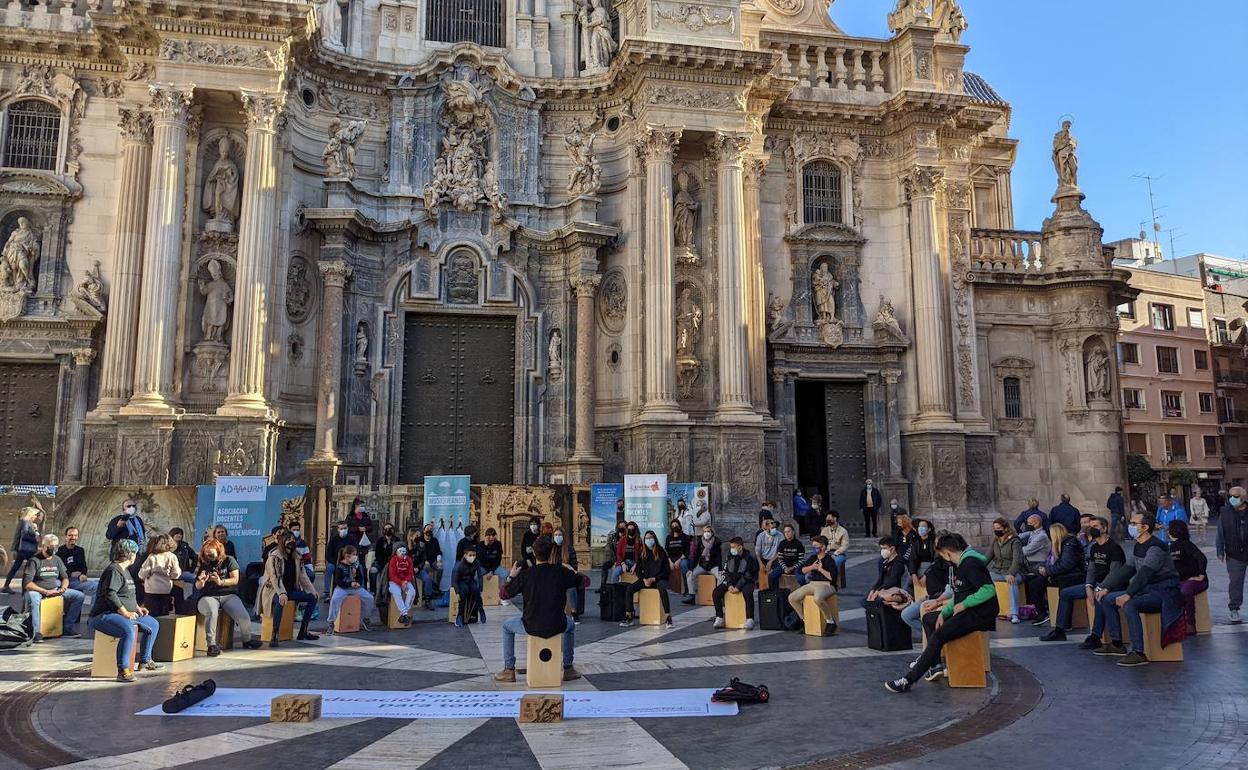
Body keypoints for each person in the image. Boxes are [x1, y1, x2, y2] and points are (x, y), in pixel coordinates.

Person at [885, 533, 998, 692]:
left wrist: (965, 604)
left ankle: (908, 680)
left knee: (939, 636)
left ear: (947, 553)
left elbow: (989, 590)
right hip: (969, 610)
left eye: (943, 556)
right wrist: (944, 612)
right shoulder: (961, 564)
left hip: (979, 614)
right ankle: (935, 664)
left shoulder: (970, 564)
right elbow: (959, 593)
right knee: (930, 619)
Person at [1081, 511, 1185, 665]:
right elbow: (1126, 570)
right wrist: (1105, 588)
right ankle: (1117, 643)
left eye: (1134, 524)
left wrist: (1129, 594)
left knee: (1131, 605)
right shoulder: (1138, 546)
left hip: (1164, 592)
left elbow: (1145, 573)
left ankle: (1138, 651)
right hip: (1146, 589)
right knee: (1107, 599)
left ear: (1145, 527)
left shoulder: (1156, 547)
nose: (1131, 526)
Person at [495, 537, 580, 683]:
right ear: (552, 552)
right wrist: (571, 570)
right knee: (570, 625)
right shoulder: (560, 572)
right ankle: (568, 668)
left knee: (506, 626)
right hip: (557, 623)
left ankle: (509, 669)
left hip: (531, 624)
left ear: (534, 553)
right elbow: (585, 582)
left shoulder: (526, 574)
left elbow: (504, 594)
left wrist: (510, 577)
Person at [88, 539, 161, 682]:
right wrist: (125, 612)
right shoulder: (113, 570)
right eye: (135, 553)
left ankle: (145, 661)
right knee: (127, 629)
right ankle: (123, 670)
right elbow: (111, 594)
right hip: (105, 614)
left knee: (153, 624)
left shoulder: (125, 571)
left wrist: (137, 608)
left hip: (124, 613)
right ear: (130, 554)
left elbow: (127, 594)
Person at [1042, 516, 1124, 641]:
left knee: (1100, 599)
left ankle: (1096, 636)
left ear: (1105, 528)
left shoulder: (1114, 547)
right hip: (1096, 583)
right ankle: (1059, 630)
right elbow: (1091, 570)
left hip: (1111, 585)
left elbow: (1115, 572)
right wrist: (1088, 586)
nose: (1092, 529)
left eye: (1095, 526)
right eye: (1090, 526)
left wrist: (1101, 588)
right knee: (1065, 593)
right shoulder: (1095, 547)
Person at [195, 540, 263, 655]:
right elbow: (197, 586)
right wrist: (201, 582)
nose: (209, 556)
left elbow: (235, 580)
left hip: (228, 594)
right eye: (207, 553)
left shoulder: (229, 560)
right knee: (212, 611)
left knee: (244, 616)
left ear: (218, 550)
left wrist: (220, 582)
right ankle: (211, 645)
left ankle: (247, 640)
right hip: (208, 595)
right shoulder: (202, 563)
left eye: (211, 553)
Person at [256, 527, 320, 646]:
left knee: (313, 597)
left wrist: (312, 590)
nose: (291, 542)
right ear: (282, 541)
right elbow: (274, 577)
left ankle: (303, 630)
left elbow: (303, 576)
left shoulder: (297, 556)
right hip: (274, 590)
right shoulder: (274, 556)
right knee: (281, 601)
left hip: (290, 590)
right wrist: (281, 593)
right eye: (288, 539)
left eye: (292, 539)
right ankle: (274, 634)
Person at [23, 534, 85, 641]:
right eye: (51, 546)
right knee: (33, 598)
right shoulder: (34, 560)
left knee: (79, 596)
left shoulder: (57, 560)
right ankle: (36, 632)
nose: (53, 549)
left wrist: (63, 588)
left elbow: (65, 578)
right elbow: (28, 584)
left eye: (56, 546)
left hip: (55, 589)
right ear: (43, 546)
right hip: (38, 590)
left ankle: (67, 628)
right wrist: (45, 592)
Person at [1024, 523, 1084, 627]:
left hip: (1072, 576)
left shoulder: (1069, 544)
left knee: (1062, 589)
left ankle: (1064, 622)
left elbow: (1066, 565)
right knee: (1034, 583)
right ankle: (1042, 613)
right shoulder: (1059, 544)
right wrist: (1043, 569)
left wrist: (1047, 571)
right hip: (1060, 574)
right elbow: (1051, 561)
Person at [620, 530, 673, 628]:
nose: (649, 540)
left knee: (662, 589)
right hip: (646, 579)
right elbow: (638, 570)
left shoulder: (661, 552)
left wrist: (654, 579)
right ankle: (629, 615)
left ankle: (668, 617)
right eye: (647, 538)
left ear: (655, 539)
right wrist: (644, 579)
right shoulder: (642, 552)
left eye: (650, 538)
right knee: (629, 589)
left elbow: (666, 571)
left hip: (658, 579)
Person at [787, 535, 838, 633]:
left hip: (827, 585)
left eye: (816, 546)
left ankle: (830, 621)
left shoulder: (829, 559)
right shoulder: (813, 557)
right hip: (813, 583)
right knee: (792, 598)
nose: (814, 548)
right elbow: (802, 570)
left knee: (818, 598)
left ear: (823, 547)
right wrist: (812, 567)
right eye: (813, 546)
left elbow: (832, 577)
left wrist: (820, 569)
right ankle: (805, 621)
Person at [1168, 520, 1208, 634]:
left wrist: (1201, 575)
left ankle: (1190, 623)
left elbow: (1201, 558)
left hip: (1195, 580)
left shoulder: (1187, 544)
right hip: (1180, 580)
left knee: (1185, 591)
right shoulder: (1171, 547)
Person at [326, 545, 376, 634]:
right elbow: (338, 581)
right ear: (346, 556)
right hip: (343, 588)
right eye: (353, 555)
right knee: (335, 599)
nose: (355, 557)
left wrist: (358, 583)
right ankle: (331, 622)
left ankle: (365, 618)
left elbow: (360, 577)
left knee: (369, 598)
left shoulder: (356, 565)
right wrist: (349, 583)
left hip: (355, 588)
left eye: (355, 554)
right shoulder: (340, 566)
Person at [1216, 485, 1248, 623]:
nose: (1232, 499)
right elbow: (1220, 532)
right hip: (1234, 553)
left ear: (1243, 498)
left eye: (1235, 496)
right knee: (1235, 582)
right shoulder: (1225, 512)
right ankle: (1234, 609)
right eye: (1231, 496)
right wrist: (1219, 550)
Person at [712, 537, 758, 630]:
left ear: (740, 547)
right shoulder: (729, 555)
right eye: (731, 547)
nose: (731, 549)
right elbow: (725, 572)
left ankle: (750, 619)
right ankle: (719, 617)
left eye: (733, 547)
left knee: (747, 592)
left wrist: (738, 586)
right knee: (716, 592)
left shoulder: (749, 557)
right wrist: (729, 585)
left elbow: (749, 574)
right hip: (731, 581)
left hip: (746, 581)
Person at [987, 518, 1025, 624]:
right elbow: (987, 557)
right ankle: (990, 610)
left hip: (1014, 571)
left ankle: (1014, 614)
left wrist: (1011, 573)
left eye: (998, 528)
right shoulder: (995, 541)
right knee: (983, 579)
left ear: (1005, 528)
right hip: (998, 571)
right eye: (994, 528)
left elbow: (1017, 560)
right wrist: (977, 568)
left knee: (1011, 582)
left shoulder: (1015, 541)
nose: (996, 530)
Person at [137, 534, 181, 617]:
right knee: (164, 614)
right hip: (166, 589)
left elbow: (142, 574)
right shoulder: (172, 557)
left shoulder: (152, 557)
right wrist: (170, 575)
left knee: (151, 614)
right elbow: (176, 574)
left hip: (151, 590)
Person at [56, 527, 96, 615]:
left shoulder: (80, 550)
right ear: (65, 537)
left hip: (78, 580)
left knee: (96, 586)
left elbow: (84, 566)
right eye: (70, 535)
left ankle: (93, 615)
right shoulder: (60, 552)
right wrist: (71, 573)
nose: (73, 537)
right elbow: (59, 570)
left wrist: (83, 574)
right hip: (65, 580)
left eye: (75, 535)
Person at [683, 524, 722, 604]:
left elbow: (719, 557)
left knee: (720, 577)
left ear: (712, 532)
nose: (706, 533)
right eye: (705, 532)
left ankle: (719, 597)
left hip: (713, 565)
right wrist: (691, 569)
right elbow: (696, 556)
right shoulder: (700, 542)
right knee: (690, 575)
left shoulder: (717, 542)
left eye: (708, 531)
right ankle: (692, 596)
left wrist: (720, 569)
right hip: (703, 565)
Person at [4, 507, 41, 593]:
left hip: (23, 549)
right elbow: (25, 535)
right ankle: (26, 587)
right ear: (30, 514)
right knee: (32, 567)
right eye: (35, 514)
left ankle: (7, 586)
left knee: (16, 567)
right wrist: (35, 539)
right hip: (26, 549)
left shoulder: (25, 522)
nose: (36, 516)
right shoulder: (25, 522)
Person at [552, 527, 585, 621]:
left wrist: (566, 567)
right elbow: (551, 564)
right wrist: (563, 564)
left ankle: (574, 612)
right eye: (556, 535)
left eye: (559, 535)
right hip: (554, 574)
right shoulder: (551, 549)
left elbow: (573, 566)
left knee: (571, 585)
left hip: (567, 575)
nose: (557, 537)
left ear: (563, 536)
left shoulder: (569, 549)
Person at [866, 536, 907, 605]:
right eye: (881, 548)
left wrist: (877, 592)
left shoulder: (899, 562)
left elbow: (893, 580)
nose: (882, 551)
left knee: (878, 601)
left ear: (892, 549)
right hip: (883, 589)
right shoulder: (882, 561)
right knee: (866, 601)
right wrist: (873, 590)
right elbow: (880, 579)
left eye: (884, 548)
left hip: (895, 589)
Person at [451, 544, 485, 627]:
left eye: (474, 555)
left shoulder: (476, 562)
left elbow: (480, 576)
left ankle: (481, 611)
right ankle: (460, 616)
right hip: (461, 581)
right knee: (464, 591)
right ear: (465, 555)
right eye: (470, 555)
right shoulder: (460, 565)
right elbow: (454, 580)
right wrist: (457, 592)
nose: (472, 557)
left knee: (475, 590)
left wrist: (480, 589)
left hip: (470, 580)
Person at [324, 520, 356, 597]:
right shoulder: (333, 539)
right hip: (335, 562)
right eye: (341, 529)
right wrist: (335, 563)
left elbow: (355, 551)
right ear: (338, 529)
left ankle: (357, 589)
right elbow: (328, 555)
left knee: (360, 568)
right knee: (329, 568)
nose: (343, 530)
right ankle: (326, 592)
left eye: (345, 528)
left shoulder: (351, 538)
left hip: (349, 562)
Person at [387, 542, 417, 625]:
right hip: (394, 582)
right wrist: (400, 583)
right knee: (396, 592)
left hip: (406, 581)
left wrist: (406, 581)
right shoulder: (393, 560)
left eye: (404, 551)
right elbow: (392, 575)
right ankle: (405, 613)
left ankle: (404, 614)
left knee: (412, 592)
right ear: (396, 551)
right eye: (400, 551)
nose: (403, 553)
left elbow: (410, 573)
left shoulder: (409, 560)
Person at [406, 527, 435, 610]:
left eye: (420, 535)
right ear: (411, 536)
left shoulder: (422, 545)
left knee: (427, 579)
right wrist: (411, 569)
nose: (419, 537)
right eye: (417, 535)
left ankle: (428, 600)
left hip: (418, 569)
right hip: (407, 570)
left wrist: (418, 568)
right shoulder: (405, 546)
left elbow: (423, 559)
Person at [908, 519, 937, 595]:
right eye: (919, 526)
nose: (920, 528)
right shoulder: (916, 542)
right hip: (918, 568)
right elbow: (912, 559)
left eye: (923, 526)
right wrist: (913, 574)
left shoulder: (934, 542)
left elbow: (937, 560)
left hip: (931, 567)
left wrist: (926, 575)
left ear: (929, 529)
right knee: (909, 581)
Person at [372, 522, 400, 596]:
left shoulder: (397, 540)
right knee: (373, 571)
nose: (388, 530)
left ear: (393, 530)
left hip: (393, 563)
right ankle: (375, 591)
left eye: (390, 529)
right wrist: (383, 564)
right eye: (386, 529)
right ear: (383, 530)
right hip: (381, 562)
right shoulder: (380, 541)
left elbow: (398, 554)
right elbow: (377, 555)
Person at [821, 511, 850, 580]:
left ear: (835, 518)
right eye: (826, 518)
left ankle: (832, 579)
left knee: (834, 562)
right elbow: (821, 543)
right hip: (825, 552)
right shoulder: (824, 530)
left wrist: (835, 553)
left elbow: (845, 545)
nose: (827, 519)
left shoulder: (843, 531)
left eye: (829, 518)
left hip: (839, 554)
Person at [666, 518, 691, 595]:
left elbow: (687, 551)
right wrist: (670, 562)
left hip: (682, 558)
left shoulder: (685, 537)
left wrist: (678, 561)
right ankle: (668, 587)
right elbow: (667, 551)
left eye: (676, 525)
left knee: (684, 565)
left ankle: (686, 589)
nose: (674, 527)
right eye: (673, 526)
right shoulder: (668, 537)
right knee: (664, 565)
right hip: (671, 558)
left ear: (679, 526)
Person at [600, 521, 625, 591]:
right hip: (614, 558)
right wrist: (615, 561)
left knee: (616, 570)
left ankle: (616, 588)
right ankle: (603, 586)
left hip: (623, 559)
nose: (622, 528)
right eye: (620, 527)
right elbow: (610, 549)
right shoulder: (613, 536)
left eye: (623, 527)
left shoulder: (628, 537)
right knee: (605, 566)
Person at [421, 523, 444, 594]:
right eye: (427, 529)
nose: (429, 530)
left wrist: (439, 560)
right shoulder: (420, 540)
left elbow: (438, 551)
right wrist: (424, 561)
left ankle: (436, 586)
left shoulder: (434, 540)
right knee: (426, 568)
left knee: (440, 568)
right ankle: (425, 589)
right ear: (424, 530)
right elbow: (419, 554)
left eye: (431, 529)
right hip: (423, 562)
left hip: (433, 561)